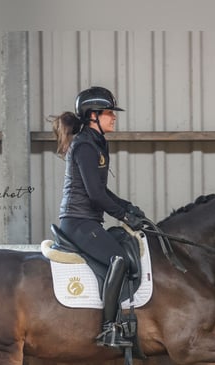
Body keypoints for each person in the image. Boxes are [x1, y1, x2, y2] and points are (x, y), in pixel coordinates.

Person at [50, 86, 147, 349]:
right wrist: (124, 216)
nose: (113, 117)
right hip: (78, 221)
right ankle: (109, 328)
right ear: (92, 116)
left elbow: (102, 191)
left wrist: (129, 208)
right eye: (108, 113)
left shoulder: (96, 143)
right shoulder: (85, 146)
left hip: (87, 220)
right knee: (118, 259)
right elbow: (95, 195)